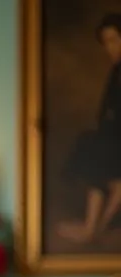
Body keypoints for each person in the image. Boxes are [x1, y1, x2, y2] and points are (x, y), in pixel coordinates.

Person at [58, 13, 121, 245]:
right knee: (93, 146)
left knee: (98, 151)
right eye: (106, 42)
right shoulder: (116, 71)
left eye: (114, 39)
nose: (110, 47)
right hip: (113, 138)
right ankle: (94, 227)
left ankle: (93, 228)